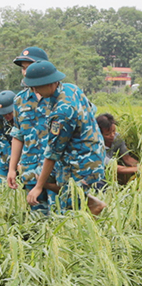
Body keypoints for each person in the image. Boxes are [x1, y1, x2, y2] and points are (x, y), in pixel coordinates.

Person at [24, 61, 107, 215]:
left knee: (68, 212)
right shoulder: (71, 88)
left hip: (82, 162)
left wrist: (38, 187)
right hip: (91, 151)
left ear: (49, 83)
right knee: (35, 174)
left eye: (36, 86)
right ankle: (89, 201)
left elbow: (53, 153)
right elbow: (92, 109)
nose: (34, 90)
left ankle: (91, 207)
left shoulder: (61, 113)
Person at [6, 46, 53, 210]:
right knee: (37, 220)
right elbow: (18, 135)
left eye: (29, 67)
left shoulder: (59, 96)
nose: (26, 73)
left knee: (63, 218)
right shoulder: (20, 100)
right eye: (24, 69)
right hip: (31, 169)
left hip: (56, 171)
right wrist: (12, 168)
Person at [97, 113, 138, 184]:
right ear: (98, 134)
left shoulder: (117, 138)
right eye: (107, 134)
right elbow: (112, 166)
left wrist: (138, 165)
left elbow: (127, 158)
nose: (112, 135)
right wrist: (137, 169)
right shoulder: (95, 145)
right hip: (98, 174)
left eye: (114, 131)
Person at [0, 90, 15, 182]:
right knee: (1, 183)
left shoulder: (24, 119)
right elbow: (3, 145)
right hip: (5, 154)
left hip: (25, 154)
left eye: (9, 112)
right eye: (4, 113)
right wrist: (13, 163)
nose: (7, 115)